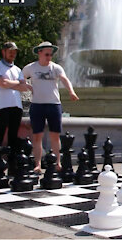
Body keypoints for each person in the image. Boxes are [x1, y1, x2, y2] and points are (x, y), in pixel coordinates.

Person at [22, 41, 79, 173]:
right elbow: (21, 78)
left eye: (51, 55)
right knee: (37, 136)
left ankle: (57, 162)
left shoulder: (56, 67)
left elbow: (64, 79)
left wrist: (71, 91)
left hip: (54, 104)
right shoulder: (30, 67)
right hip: (37, 105)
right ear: (39, 53)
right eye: (47, 54)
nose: (49, 57)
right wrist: (28, 87)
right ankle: (38, 164)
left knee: (55, 135)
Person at [0, 42, 32, 149]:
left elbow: (23, 88)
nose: (12, 54)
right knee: (0, 133)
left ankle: (12, 161)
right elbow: (2, 83)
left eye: (14, 52)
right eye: (10, 52)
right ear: (3, 52)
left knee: (13, 136)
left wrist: (9, 83)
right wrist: (17, 83)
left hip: (17, 106)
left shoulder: (17, 69)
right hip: (3, 105)